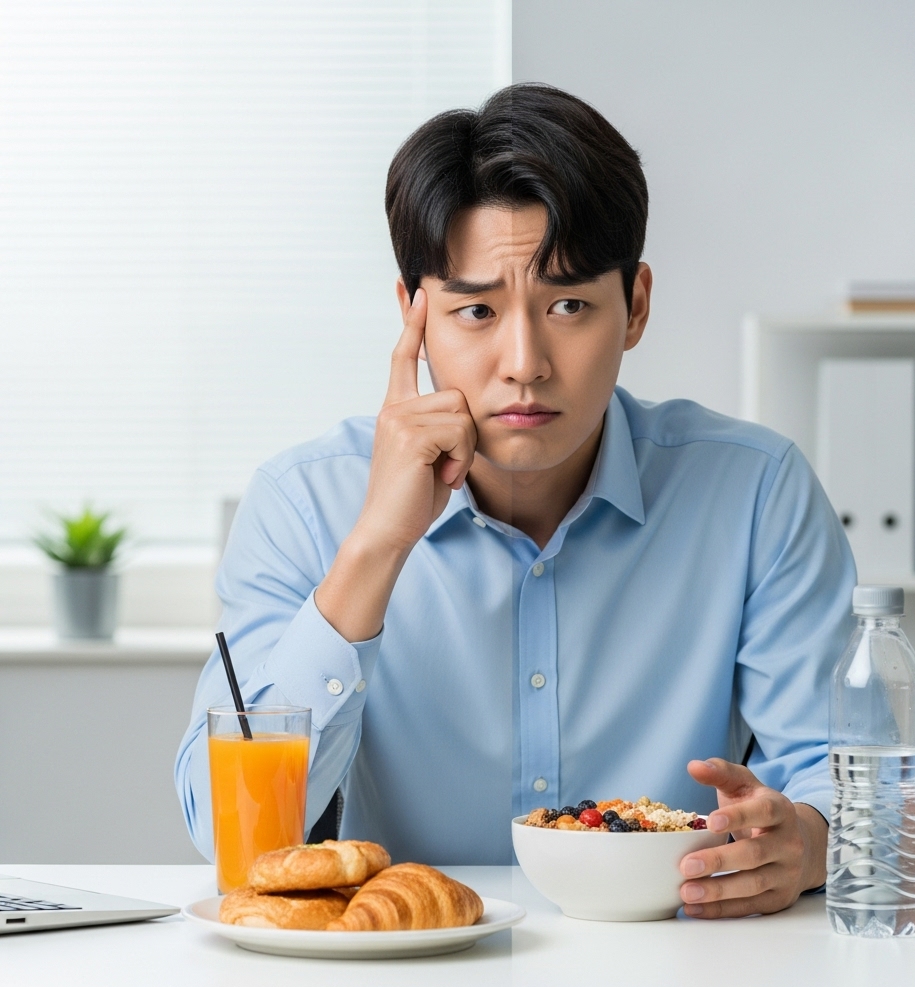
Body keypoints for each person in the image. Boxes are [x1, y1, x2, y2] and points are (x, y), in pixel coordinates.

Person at [175, 83, 855, 919]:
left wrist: (807, 841)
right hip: (404, 977)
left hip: (676, 970)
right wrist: (375, 551)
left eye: (568, 305)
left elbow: (844, 779)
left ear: (635, 305)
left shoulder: (756, 492)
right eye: (476, 311)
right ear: (413, 316)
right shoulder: (304, 502)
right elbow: (224, 833)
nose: (524, 361)